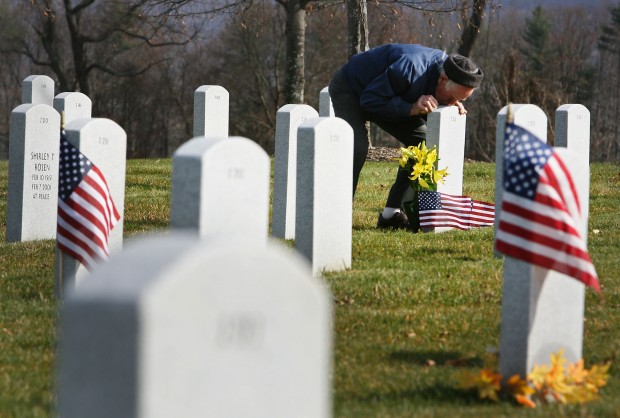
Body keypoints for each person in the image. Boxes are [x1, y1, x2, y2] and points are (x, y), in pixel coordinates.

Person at [328, 43, 484, 230]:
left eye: (460, 99)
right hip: (351, 89)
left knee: (424, 145)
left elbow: (431, 96)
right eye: (452, 98)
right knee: (357, 147)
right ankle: (335, 215)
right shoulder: (410, 68)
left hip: (389, 96)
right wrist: (411, 108)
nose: (453, 103)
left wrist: (450, 104)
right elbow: (369, 100)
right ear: (442, 79)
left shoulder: (446, 77)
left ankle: (391, 215)